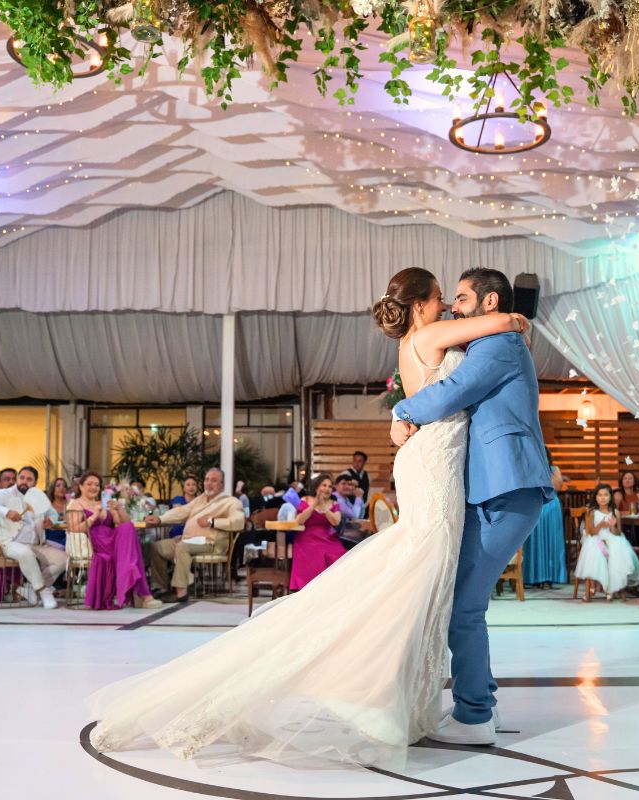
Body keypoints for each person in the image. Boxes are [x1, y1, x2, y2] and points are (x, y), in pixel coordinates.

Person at [88, 266, 546, 764]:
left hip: (492, 482)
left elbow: (453, 390)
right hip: (451, 474)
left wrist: (404, 410)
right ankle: (425, 700)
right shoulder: (459, 334)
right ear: (420, 304)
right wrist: (408, 407)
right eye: (444, 297)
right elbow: (450, 387)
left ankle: (451, 705)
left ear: (489, 300)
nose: (452, 305)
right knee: (435, 591)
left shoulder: (489, 340)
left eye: (459, 298)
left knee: (438, 593)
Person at [143, 468, 245, 604]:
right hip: (188, 541)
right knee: (157, 547)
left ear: (221, 485)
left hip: (211, 543)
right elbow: (182, 511)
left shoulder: (231, 502)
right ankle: (161, 588)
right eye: (207, 480)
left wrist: (212, 521)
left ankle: (181, 592)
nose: (209, 483)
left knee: (182, 547)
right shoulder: (200, 500)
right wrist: (161, 519)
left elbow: (239, 522)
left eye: (213, 481)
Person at [66, 472, 161, 610]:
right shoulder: (76, 504)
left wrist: (118, 509)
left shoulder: (101, 503)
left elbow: (122, 522)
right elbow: (74, 528)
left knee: (128, 527)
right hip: (97, 542)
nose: (93, 487)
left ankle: (141, 593)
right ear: (80, 486)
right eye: (89, 484)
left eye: (97, 485)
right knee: (131, 555)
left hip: (111, 538)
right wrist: (94, 516)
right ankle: (143, 594)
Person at [0, 466, 66, 609]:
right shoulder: (5, 493)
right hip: (9, 542)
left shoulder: (38, 496)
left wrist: (51, 521)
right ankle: (43, 591)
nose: (24, 481)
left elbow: (54, 514)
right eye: (22, 477)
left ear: (35, 482)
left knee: (63, 559)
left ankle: (30, 588)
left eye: (29, 479)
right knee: (25, 553)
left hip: (35, 543)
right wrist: (6, 512)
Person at [574, 483, 639, 601]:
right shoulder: (592, 512)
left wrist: (612, 527)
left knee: (617, 549)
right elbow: (591, 532)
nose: (603, 498)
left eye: (606, 495)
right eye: (600, 495)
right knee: (597, 551)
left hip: (612, 539)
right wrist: (600, 525)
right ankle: (601, 586)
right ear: (595, 497)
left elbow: (618, 532)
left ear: (611, 496)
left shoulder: (615, 512)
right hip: (596, 540)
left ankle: (611, 587)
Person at [290, 473, 345, 589]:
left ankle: (333, 588)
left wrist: (325, 507)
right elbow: (299, 520)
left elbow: (336, 522)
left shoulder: (334, 503)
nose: (327, 489)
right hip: (307, 537)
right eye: (324, 485)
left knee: (340, 554)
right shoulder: (305, 499)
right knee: (316, 554)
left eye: (330, 487)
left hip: (328, 537)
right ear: (316, 487)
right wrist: (314, 504)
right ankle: (312, 589)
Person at [522, 454, 566, 588]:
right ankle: (532, 576)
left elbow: (558, 486)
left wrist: (546, 470)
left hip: (551, 506)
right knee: (534, 541)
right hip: (534, 504)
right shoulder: (528, 466)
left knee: (551, 540)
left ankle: (548, 577)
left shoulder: (554, 469)